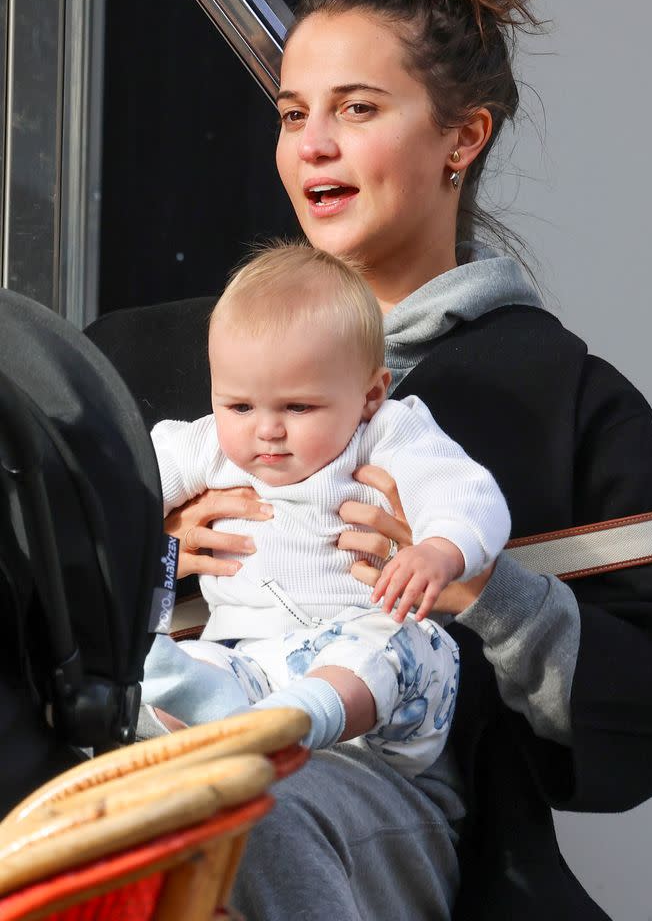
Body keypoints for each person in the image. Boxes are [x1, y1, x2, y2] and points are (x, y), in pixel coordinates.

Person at [158, 0, 652, 921]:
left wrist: (490, 588)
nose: (314, 145)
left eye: (356, 107)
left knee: (235, 817)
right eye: (292, 112)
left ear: (462, 137)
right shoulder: (188, 359)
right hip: (173, 768)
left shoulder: (549, 394)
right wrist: (162, 552)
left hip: (392, 829)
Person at [142, 243, 510, 779]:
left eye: (298, 407)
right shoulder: (208, 447)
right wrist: (152, 536)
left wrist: (439, 550)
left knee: (392, 644)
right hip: (251, 662)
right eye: (240, 405)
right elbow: (126, 478)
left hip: (376, 693)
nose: (266, 429)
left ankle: (298, 720)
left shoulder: (385, 433)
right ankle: (220, 719)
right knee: (197, 667)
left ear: (369, 394)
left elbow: (466, 493)